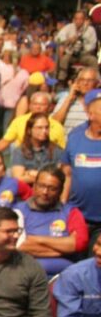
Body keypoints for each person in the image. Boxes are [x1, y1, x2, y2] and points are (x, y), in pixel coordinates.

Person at [14, 164, 87, 277]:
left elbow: (78, 244)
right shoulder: (18, 211)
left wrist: (34, 240)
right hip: (24, 277)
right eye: (41, 186)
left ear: (60, 191)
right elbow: (18, 246)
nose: (45, 192)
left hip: (64, 278)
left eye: (52, 188)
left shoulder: (71, 212)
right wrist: (64, 250)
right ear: (34, 186)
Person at [61, 88, 101, 247]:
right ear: (91, 115)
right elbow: (67, 175)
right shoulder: (75, 138)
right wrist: (63, 207)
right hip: (78, 216)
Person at [10, 113, 60, 185]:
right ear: (29, 130)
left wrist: (33, 174)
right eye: (39, 128)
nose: (44, 131)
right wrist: (44, 177)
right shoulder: (20, 151)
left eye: (46, 127)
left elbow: (59, 177)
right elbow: (18, 178)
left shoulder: (55, 150)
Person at [55, 9, 99, 81]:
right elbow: (58, 38)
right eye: (76, 19)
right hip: (70, 54)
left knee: (93, 60)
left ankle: (96, 80)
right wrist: (69, 40)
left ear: (84, 19)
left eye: (81, 19)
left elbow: (93, 45)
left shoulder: (90, 29)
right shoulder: (69, 27)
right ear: (74, 19)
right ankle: (61, 80)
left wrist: (82, 46)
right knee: (64, 59)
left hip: (84, 55)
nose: (78, 21)